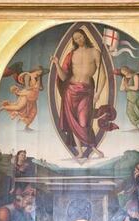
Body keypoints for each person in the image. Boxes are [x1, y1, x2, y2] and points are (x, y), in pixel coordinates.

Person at [51, 30, 106, 159]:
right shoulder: (71, 55)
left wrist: (98, 93)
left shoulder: (95, 52)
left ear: (85, 36)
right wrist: (57, 64)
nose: (79, 40)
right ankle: (80, 152)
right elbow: (64, 77)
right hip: (71, 90)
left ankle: (94, 148)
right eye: (76, 38)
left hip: (86, 91)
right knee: (73, 122)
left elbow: (103, 74)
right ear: (74, 41)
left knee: (83, 122)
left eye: (80, 36)